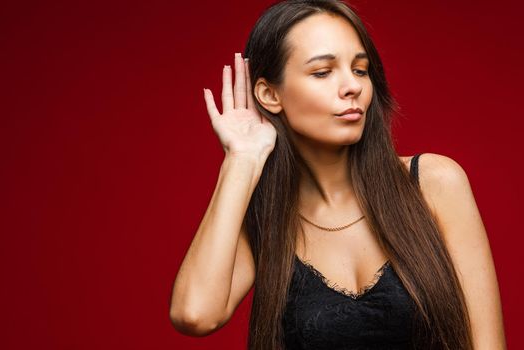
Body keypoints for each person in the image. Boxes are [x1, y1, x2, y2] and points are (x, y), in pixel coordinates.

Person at [169, 0, 506, 349]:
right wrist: (242, 158)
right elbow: (195, 314)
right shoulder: (266, 218)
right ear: (270, 94)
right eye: (323, 72)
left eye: (360, 70)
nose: (353, 86)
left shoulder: (434, 182)